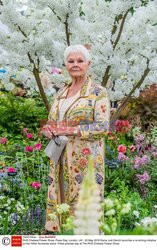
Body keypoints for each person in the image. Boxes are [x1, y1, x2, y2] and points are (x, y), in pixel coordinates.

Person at [42, 44, 110, 234]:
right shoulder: (61, 94)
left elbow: (103, 127)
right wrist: (48, 129)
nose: (75, 64)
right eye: (71, 61)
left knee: (84, 203)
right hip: (60, 157)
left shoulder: (98, 92)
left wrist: (71, 130)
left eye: (80, 61)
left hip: (84, 159)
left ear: (88, 64)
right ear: (66, 65)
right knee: (61, 199)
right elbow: (52, 122)